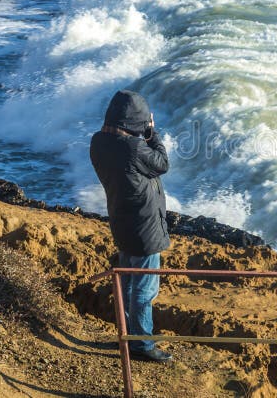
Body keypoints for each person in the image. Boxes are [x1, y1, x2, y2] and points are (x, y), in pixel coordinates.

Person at [89, 90, 172, 362]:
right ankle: (142, 344)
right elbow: (161, 164)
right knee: (145, 288)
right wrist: (151, 133)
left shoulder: (99, 142)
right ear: (137, 120)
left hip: (122, 221)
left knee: (126, 283)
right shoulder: (134, 147)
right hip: (145, 227)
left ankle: (126, 336)